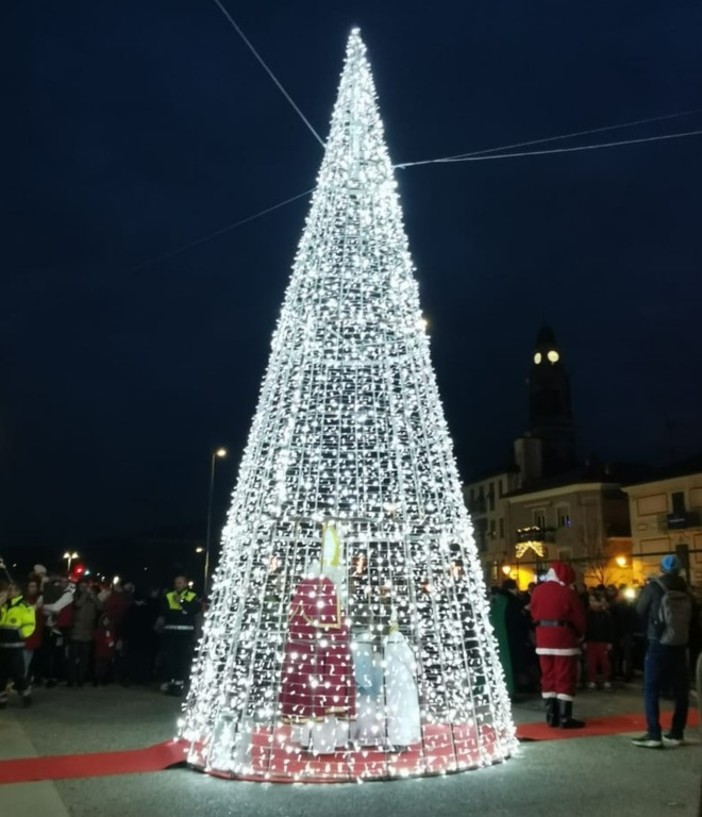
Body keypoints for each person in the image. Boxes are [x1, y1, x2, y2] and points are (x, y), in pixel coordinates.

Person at [632, 555, 693, 749]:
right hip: (680, 643)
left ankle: (654, 733)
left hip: (658, 642)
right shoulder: (686, 589)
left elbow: (640, 610)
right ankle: (677, 732)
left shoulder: (654, 587)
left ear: (662, 569)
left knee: (651, 688)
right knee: (681, 690)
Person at [530, 561, 587, 728]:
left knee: (548, 676)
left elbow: (533, 613)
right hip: (563, 638)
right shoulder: (567, 593)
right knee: (564, 676)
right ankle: (564, 717)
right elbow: (579, 618)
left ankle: (551, 716)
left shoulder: (538, 591)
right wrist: (581, 634)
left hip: (542, 637)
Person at [158, 575, 201, 696]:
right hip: (170, 632)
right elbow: (165, 611)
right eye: (176, 583)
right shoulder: (168, 596)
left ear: (186, 584)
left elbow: (194, 609)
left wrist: (181, 603)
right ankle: (170, 683)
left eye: (180, 583)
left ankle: (179, 685)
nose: (177, 585)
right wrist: (182, 612)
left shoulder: (192, 596)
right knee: (170, 659)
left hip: (185, 633)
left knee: (182, 660)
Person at [0, 581, 36, 708]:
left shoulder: (24, 606)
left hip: (15, 646)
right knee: (1, 675)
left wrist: (19, 633)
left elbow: (30, 625)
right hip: (2, 645)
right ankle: (2, 700)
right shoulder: (4, 605)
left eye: (11, 589)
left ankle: (25, 694)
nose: (8, 591)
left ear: (18, 591)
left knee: (18, 674)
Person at [68, 580, 101, 686]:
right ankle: (71, 679)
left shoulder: (92, 597)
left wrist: (93, 596)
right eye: (81, 586)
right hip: (76, 632)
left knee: (84, 659)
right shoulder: (75, 596)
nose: (84, 588)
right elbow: (78, 604)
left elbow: (100, 607)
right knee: (73, 658)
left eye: (85, 586)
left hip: (88, 632)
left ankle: (81, 679)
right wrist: (85, 594)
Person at [584, 594, 614, 690]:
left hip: (603, 641)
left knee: (604, 662)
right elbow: (585, 628)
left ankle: (606, 680)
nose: (591, 603)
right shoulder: (587, 614)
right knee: (591, 662)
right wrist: (584, 640)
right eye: (590, 601)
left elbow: (610, 629)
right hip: (591, 641)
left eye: (594, 601)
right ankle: (592, 680)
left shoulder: (606, 614)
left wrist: (610, 641)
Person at [93, 614, 116, 685]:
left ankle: (102, 679)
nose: (106, 622)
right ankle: (96, 679)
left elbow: (112, 641)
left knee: (104, 665)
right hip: (100, 650)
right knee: (98, 665)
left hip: (106, 650)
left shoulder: (110, 630)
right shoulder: (100, 630)